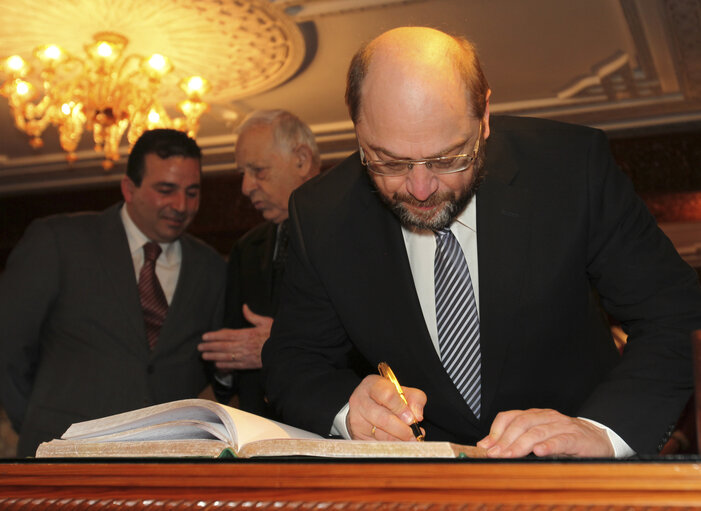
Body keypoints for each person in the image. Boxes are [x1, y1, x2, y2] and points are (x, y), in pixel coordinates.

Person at [261, 27, 701, 457]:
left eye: (449, 157)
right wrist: (348, 410)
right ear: (357, 128)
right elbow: (294, 361)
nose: (419, 188)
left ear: (484, 115)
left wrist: (601, 432)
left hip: (576, 477)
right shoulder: (321, 214)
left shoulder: (571, 169)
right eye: (388, 161)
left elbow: (674, 315)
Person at [0, 129, 226, 457]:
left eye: (192, 192)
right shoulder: (59, 241)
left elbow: (212, 366)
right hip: (60, 457)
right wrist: (40, 425)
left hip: (166, 465)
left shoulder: (212, 268)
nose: (181, 205)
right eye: (166, 190)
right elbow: (7, 346)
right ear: (128, 188)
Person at [198, 110, 321, 417]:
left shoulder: (353, 230)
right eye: (243, 173)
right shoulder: (246, 249)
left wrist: (281, 344)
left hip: (328, 434)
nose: (245, 187)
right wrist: (227, 363)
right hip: (257, 441)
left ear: (302, 161)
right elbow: (230, 373)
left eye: (258, 171)